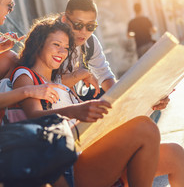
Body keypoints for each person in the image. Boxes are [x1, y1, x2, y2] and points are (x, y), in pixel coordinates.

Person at [12, 14, 184, 187]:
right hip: (69, 164)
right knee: (146, 128)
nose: (62, 52)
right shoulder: (26, 76)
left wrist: (149, 101)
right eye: (56, 45)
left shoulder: (60, 84)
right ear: (39, 45)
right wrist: (74, 111)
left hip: (92, 151)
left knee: (176, 154)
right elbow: (35, 115)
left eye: (66, 47)